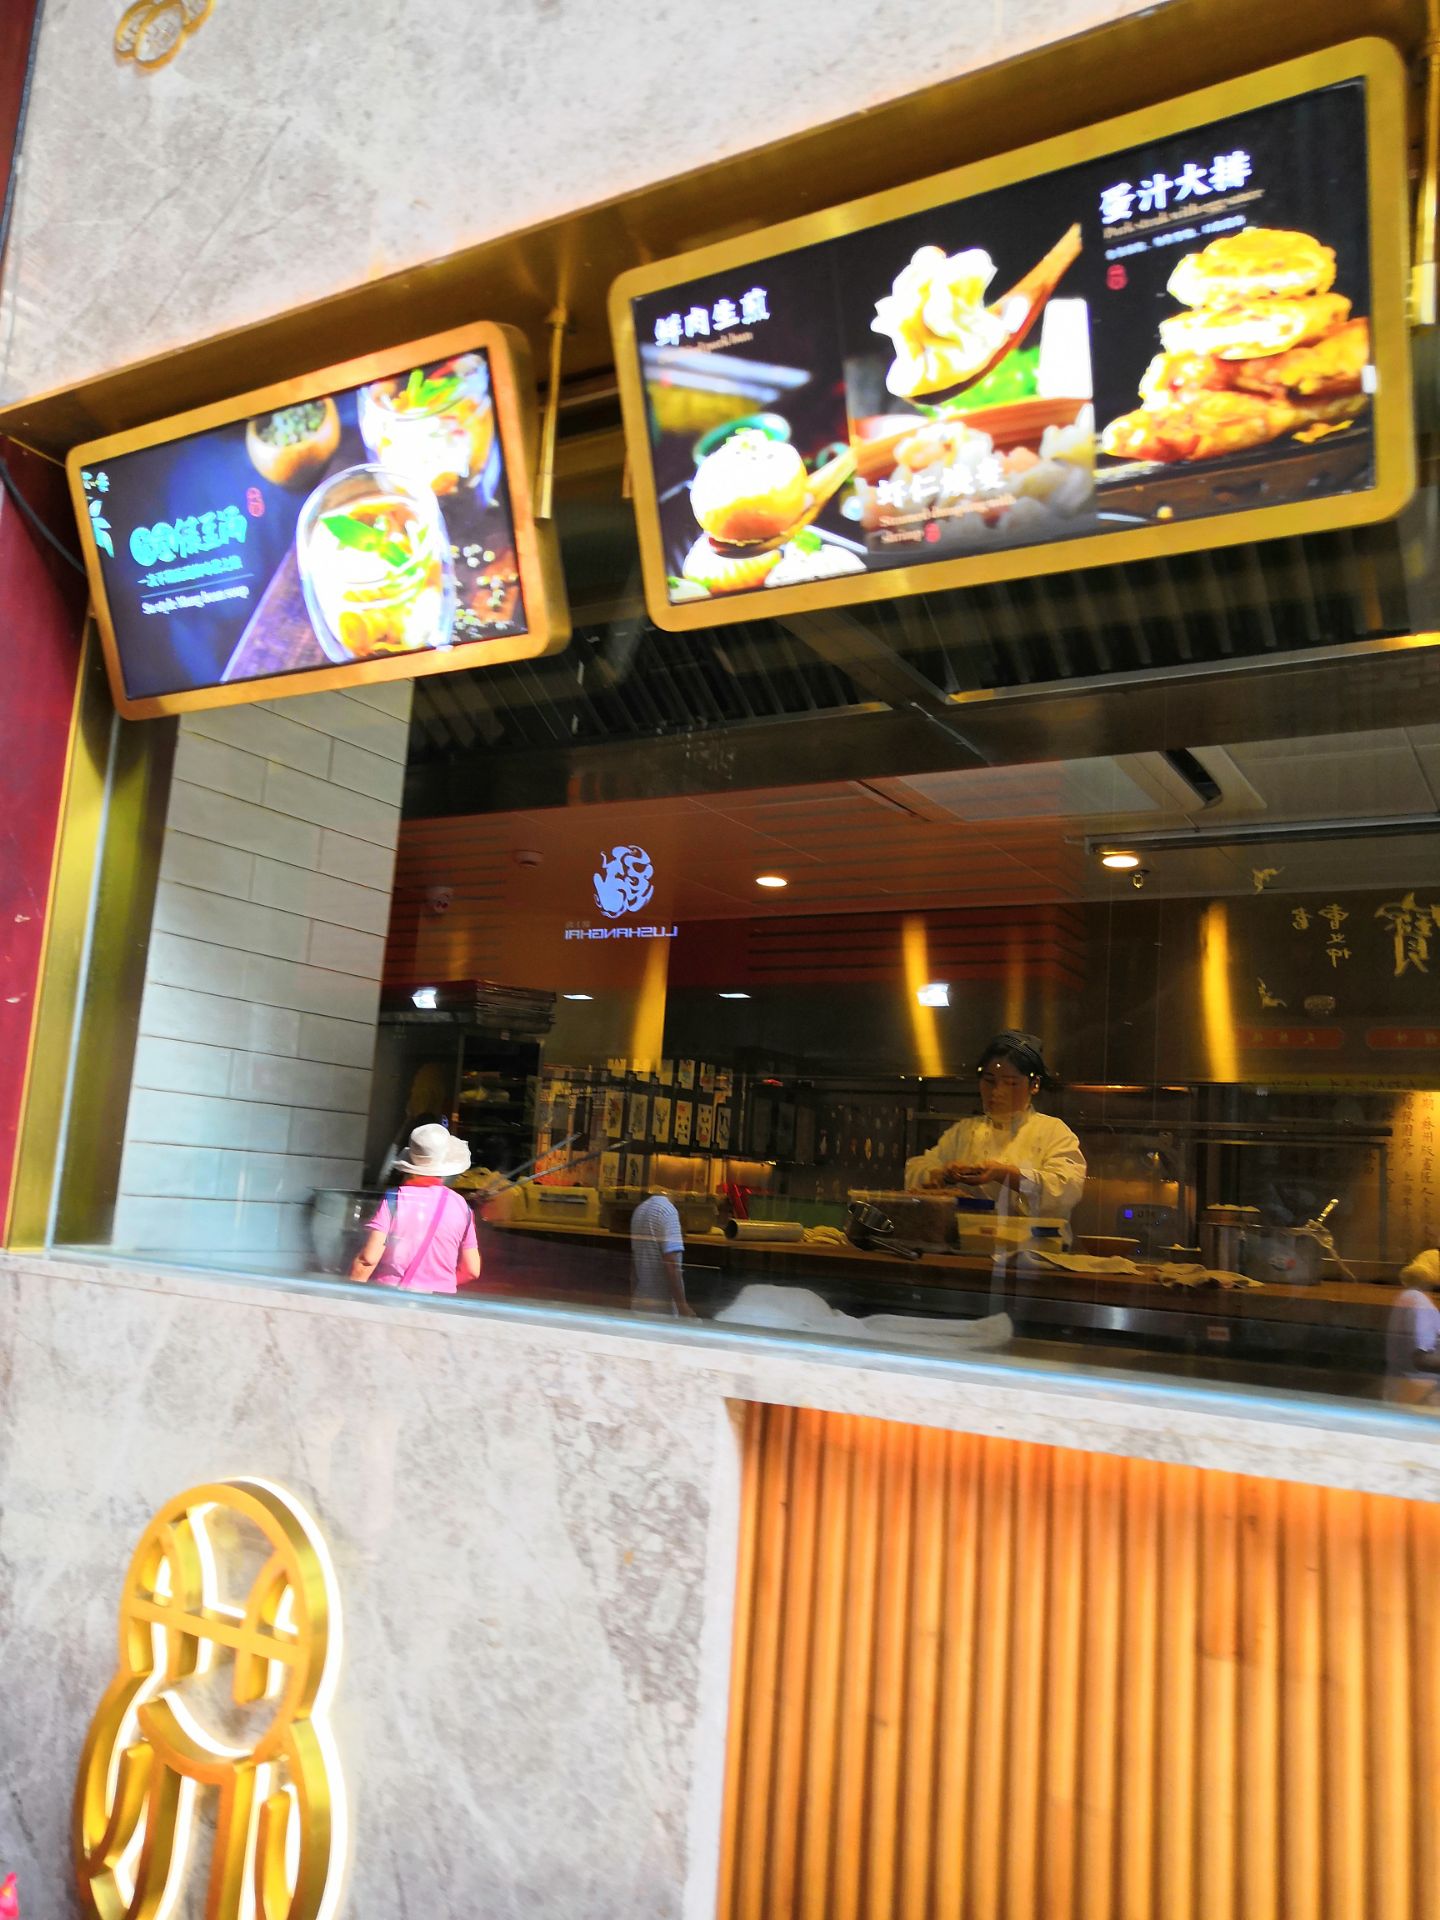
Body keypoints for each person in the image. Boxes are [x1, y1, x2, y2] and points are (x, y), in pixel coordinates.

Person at [903, 1029, 1086, 1224]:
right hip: (967, 1238)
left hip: (1033, 1242)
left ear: (1034, 1084)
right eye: (989, 1081)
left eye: (1010, 1083)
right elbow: (916, 1168)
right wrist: (941, 1174)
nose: (997, 1092)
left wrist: (1005, 1174)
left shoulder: (1053, 1132)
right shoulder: (965, 1131)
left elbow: (1065, 1190)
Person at [350, 1122, 481, 1294]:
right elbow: (472, 1270)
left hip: (392, 1298)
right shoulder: (462, 1207)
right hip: (440, 1302)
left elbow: (369, 1258)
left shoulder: (394, 1199)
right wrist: (440, 1285)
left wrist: (349, 1295)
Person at [1385, 1249, 1440, 1405]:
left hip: (1401, 1383)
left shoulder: (1408, 1295)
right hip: (1419, 1389)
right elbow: (1420, 1358)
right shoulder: (1420, 1302)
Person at [630, 1190, 694, 1317]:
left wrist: (632, 1298)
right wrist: (683, 1307)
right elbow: (671, 1263)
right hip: (661, 1309)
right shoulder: (668, 1212)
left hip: (639, 1303)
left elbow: (633, 1265)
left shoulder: (640, 1210)